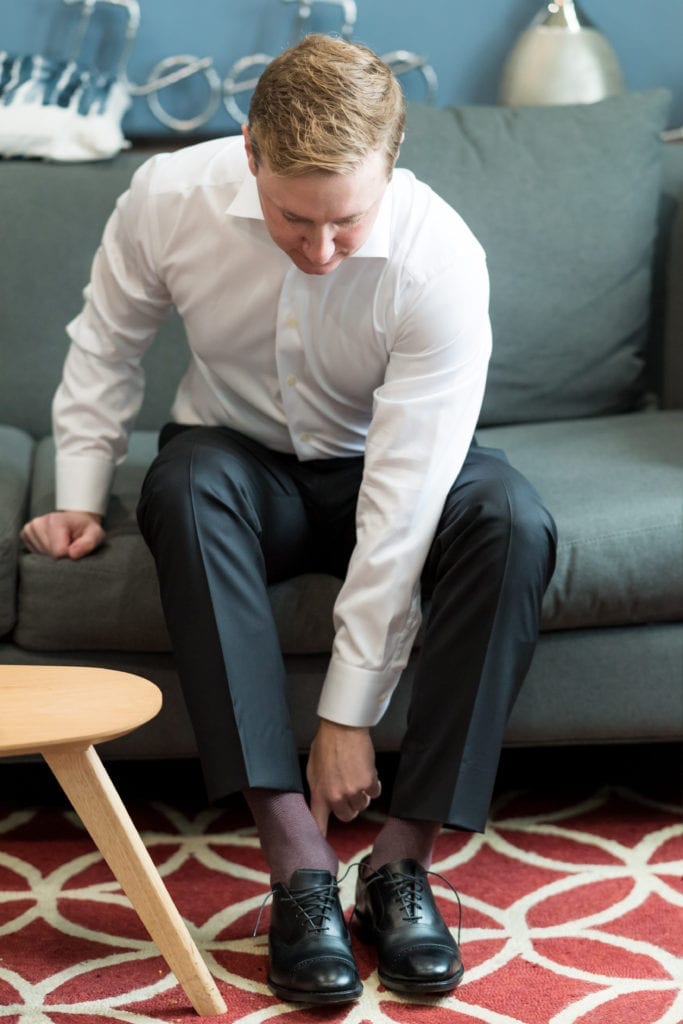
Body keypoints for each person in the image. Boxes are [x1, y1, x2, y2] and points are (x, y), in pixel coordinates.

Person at [21, 33, 557, 1005]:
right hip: (236, 458)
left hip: (382, 463)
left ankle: (399, 863)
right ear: (250, 152)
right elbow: (105, 346)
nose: (317, 250)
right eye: (290, 218)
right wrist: (77, 498)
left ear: (390, 173)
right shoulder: (168, 197)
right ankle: (298, 865)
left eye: (344, 224)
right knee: (181, 490)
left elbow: (401, 502)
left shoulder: (439, 260)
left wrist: (346, 713)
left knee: (512, 521)